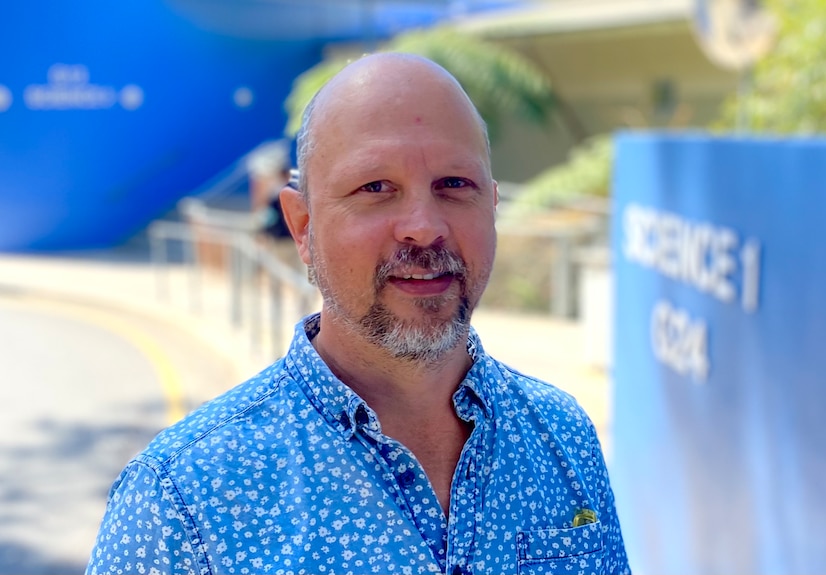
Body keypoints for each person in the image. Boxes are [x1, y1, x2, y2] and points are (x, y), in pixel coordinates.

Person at [87, 53, 630, 575]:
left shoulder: (562, 435)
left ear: (491, 205)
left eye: (454, 185)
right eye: (375, 188)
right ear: (303, 227)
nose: (424, 225)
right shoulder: (182, 500)